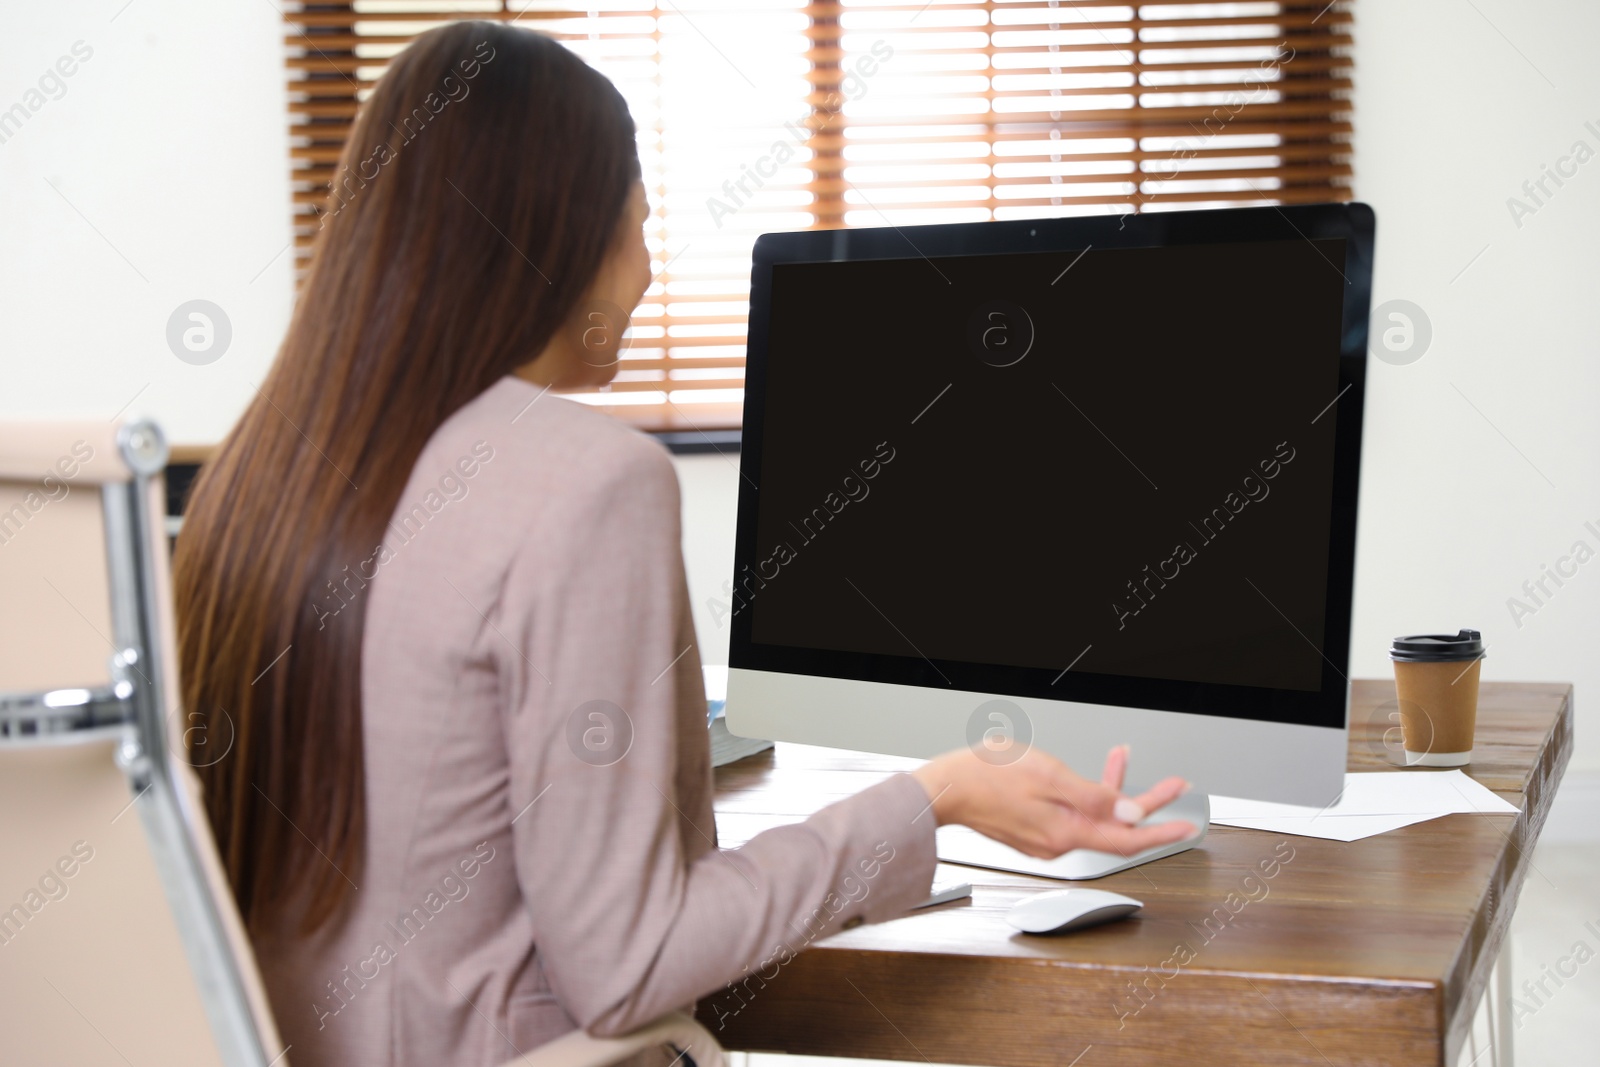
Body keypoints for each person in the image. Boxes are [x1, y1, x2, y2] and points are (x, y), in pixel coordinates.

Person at [174, 21, 1194, 1067]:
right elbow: (624, 961)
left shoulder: (262, 476)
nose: (649, 273)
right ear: (558, 234)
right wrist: (935, 797)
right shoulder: (584, 477)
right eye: (639, 224)